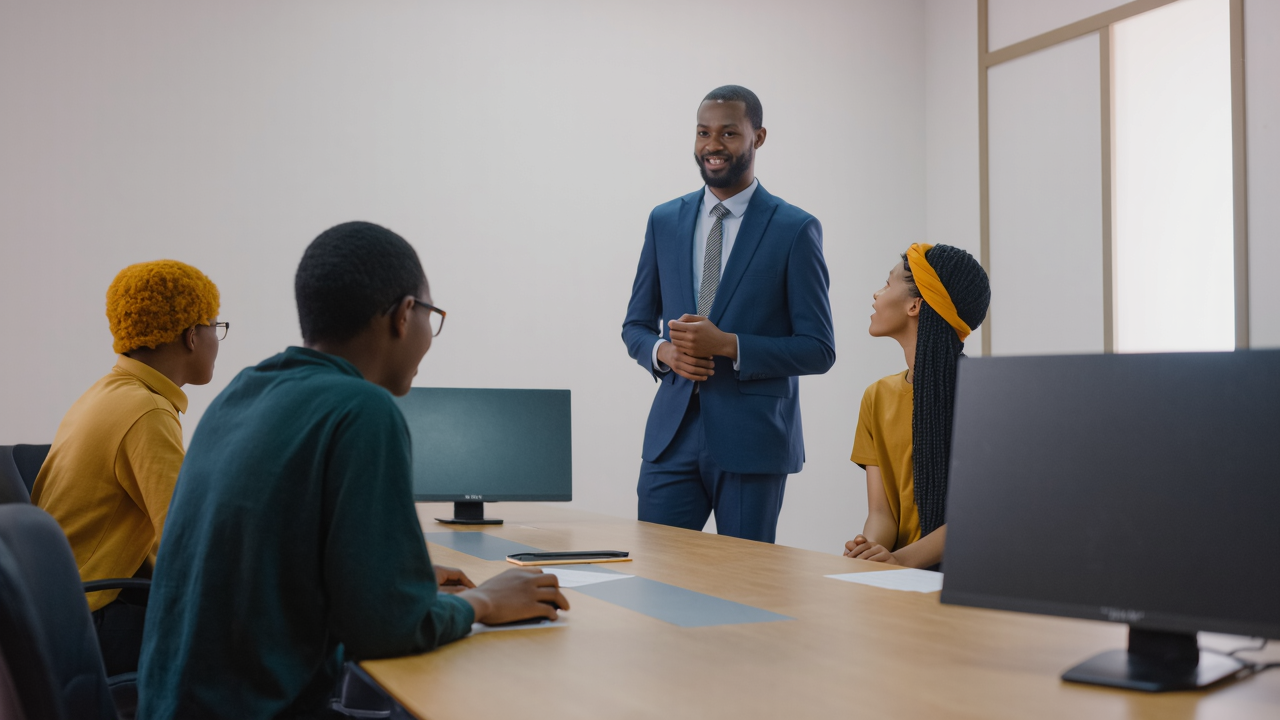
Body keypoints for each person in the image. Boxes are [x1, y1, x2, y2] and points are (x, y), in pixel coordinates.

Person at [136, 221, 568, 720]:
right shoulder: (362, 409)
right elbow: (389, 631)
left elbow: (273, 564)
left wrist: (393, 579)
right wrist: (485, 603)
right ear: (404, 314)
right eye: (432, 316)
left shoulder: (242, 392)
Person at [621, 85, 836, 544]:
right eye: (703, 132)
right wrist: (664, 353)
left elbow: (818, 349)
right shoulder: (664, 220)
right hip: (671, 436)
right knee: (655, 573)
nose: (712, 145)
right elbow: (635, 326)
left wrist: (728, 346)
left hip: (753, 442)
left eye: (728, 133)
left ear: (758, 137)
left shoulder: (794, 229)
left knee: (743, 581)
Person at [31, 259, 224, 675]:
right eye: (216, 327)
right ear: (192, 336)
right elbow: (189, 541)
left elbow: (158, 537)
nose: (217, 339)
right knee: (245, 640)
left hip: (53, 610)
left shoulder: (108, 392)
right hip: (89, 622)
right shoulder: (147, 412)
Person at [843, 243, 990, 569]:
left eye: (887, 284)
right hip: (898, 575)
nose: (876, 294)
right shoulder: (877, 396)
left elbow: (979, 515)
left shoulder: (984, 399)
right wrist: (870, 551)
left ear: (914, 305)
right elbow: (881, 513)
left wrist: (897, 561)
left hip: (965, 576)